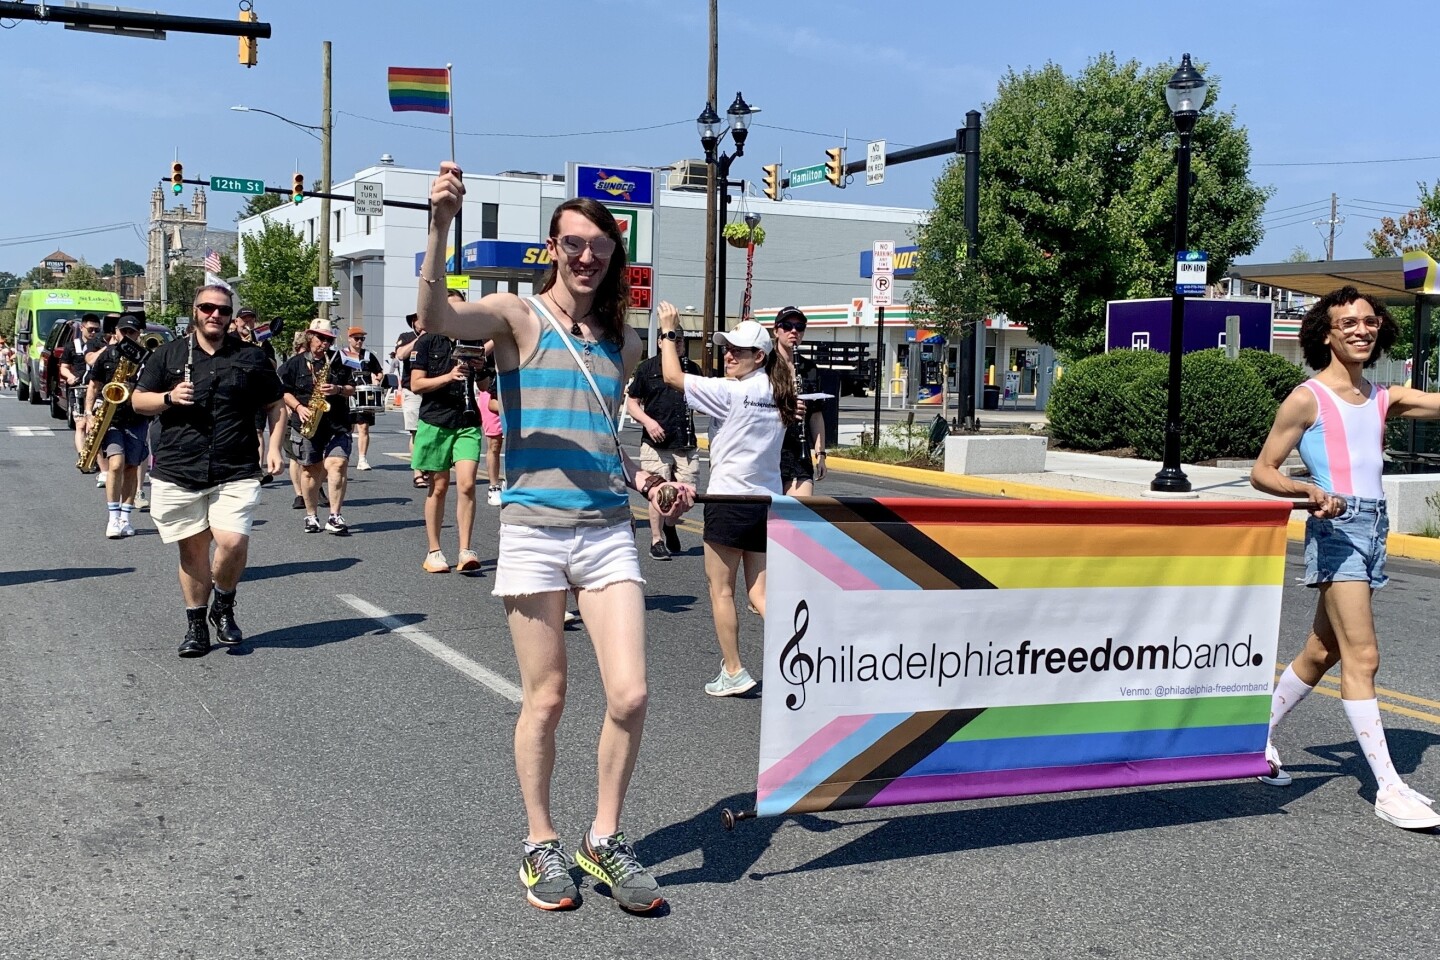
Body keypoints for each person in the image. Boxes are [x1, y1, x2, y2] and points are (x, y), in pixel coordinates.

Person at [418, 165, 693, 914]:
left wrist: (653, 484)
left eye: (598, 245)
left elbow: (613, 442)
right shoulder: (517, 316)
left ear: (614, 255)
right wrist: (440, 221)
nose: (585, 256)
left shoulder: (622, 342)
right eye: (573, 243)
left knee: (631, 693)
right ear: (554, 247)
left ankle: (602, 840)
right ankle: (541, 842)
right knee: (547, 699)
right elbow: (437, 318)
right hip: (536, 532)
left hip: (606, 530)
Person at [1251, 285, 1440, 830]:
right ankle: (1388, 789)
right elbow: (1264, 469)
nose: (1361, 329)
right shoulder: (1308, 398)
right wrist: (1306, 492)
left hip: (1375, 525)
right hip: (1337, 527)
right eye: (1348, 323)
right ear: (1326, 334)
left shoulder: (1383, 397)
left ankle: (1253, 735)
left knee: (1321, 652)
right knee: (1365, 656)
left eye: (1369, 321)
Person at [131, 285, 285, 658]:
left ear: (231, 315)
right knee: (193, 551)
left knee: (232, 542)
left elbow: (276, 404)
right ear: (195, 311)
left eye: (222, 309)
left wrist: (276, 447)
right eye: (207, 308)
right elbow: (137, 400)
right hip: (178, 468)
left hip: (236, 467)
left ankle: (225, 604)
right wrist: (168, 398)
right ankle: (196, 625)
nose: (215, 314)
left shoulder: (252, 357)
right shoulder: (168, 355)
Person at [656, 305, 796, 697]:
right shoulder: (779, 393)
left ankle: (734, 670)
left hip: (729, 498)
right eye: (727, 348)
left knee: (722, 591)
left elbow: (671, 376)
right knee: (761, 594)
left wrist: (669, 332)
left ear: (760, 357)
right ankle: (808, 653)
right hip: (768, 503)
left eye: (739, 350)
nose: (729, 354)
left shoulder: (732, 392)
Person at [409, 325, 485, 573]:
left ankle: (466, 550)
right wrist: (448, 376)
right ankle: (434, 551)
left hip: (467, 421)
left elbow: (484, 385)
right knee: (439, 486)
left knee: (467, 484)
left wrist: (480, 368)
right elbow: (416, 384)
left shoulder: (472, 339)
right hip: (435, 421)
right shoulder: (427, 342)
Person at [626, 328, 701, 559]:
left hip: (685, 443)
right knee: (660, 492)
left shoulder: (691, 368)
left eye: (680, 340)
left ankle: (670, 524)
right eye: (672, 339)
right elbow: (632, 403)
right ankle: (657, 540)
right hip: (656, 443)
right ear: (660, 342)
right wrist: (648, 423)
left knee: (688, 496)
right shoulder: (647, 368)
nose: (677, 344)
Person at [279, 320, 357, 535]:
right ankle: (311, 516)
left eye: (328, 340)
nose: (324, 343)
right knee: (310, 471)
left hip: (337, 422)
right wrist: (298, 407)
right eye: (320, 338)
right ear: (309, 337)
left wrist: (339, 389)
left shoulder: (341, 361)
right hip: (307, 422)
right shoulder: (294, 363)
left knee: (338, 464)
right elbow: (282, 391)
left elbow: (353, 388)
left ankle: (334, 515)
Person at [84, 315, 151, 539]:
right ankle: (112, 518)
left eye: (132, 333)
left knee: (131, 467)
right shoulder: (107, 355)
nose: (128, 336)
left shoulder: (146, 359)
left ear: (138, 334)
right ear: (116, 333)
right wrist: (88, 413)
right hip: (110, 418)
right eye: (124, 332)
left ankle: (125, 517)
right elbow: (94, 386)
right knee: (115, 464)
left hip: (137, 418)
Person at [770, 306, 828, 495]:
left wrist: (820, 454)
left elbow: (816, 415)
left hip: (798, 452)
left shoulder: (810, 368)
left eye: (799, 326)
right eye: (787, 326)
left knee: (798, 514)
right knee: (769, 518)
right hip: (770, 450)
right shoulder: (765, 365)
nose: (793, 331)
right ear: (776, 330)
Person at [63, 314, 104, 468]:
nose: (93, 332)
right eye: (90, 329)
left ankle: (95, 455)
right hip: (79, 388)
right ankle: (83, 457)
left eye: (96, 330)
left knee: (93, 425)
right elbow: (64, 367)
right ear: (82, 328)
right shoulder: (73, 345)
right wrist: (70, 376)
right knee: (80, 424)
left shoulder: (100, 345)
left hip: (96, 390)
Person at [342, 326, 385, 470]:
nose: (360, 341)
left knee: (363, 427)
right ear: (349, 339)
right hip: (346, 395)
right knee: (346, 427)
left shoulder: (368, 356)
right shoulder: (342, 355)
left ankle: (362, 459)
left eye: (362, 339)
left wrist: (377, 379)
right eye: (356, 338)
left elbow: (379, 372)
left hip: (364, 395)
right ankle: (343, 455)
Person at [392, 312, 426, 487]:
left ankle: (428, 466)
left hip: (432, 389)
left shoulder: (435, 337)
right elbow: (400, 355)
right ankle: (418, 472)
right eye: (422, 319)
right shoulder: (406, 337)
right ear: (414, 322)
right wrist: (419, 339)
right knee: (416, 431)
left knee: (431, 432)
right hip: (412, 390)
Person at [477, 343, 506, 506]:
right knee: (494, 443)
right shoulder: (485, 331)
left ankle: (512, 482)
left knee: (518, 442)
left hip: (513, 384)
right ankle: (493, 486)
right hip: (490, 388)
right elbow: (479, 354)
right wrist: (497, 336)